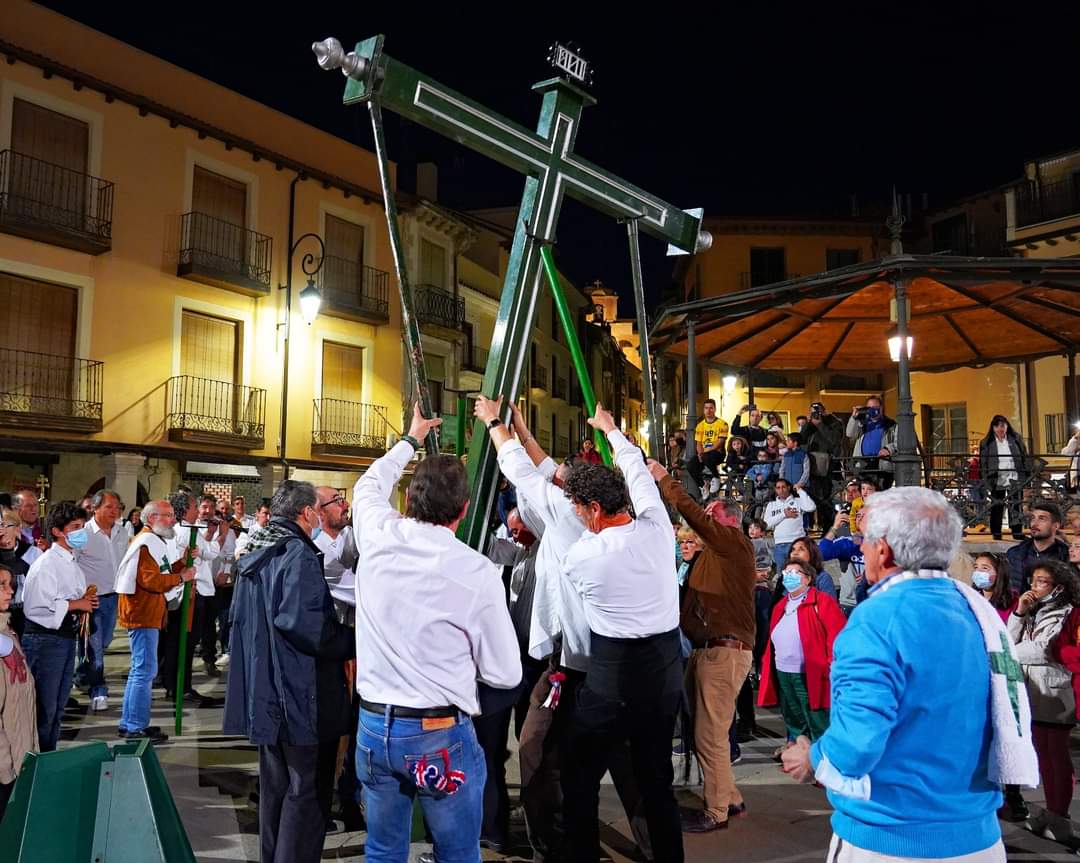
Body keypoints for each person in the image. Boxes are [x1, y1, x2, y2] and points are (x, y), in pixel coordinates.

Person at [781, 486, 1039, 862]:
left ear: (883, 549)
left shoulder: (875, 620)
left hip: (890, 839)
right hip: (979, 837)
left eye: (865, 541)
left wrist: (812, 758)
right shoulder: (976, 612)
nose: (863, 549)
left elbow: (856, 745)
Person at [477, 398, 653, 863]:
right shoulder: (632, 523)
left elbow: (521, 471)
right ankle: (632, 844)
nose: (564, 491)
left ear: (587, 505)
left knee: (568, 759)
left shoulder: (565, 518)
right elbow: (550, 472)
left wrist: (496, 424)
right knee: (581, 757)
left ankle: (562, 846)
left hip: (581, 669)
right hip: (598, 665)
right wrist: (526, 431)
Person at [351, 403, 521, 863]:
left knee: (383, 850)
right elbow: (504, 673)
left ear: (408, 500)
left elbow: (368, 486)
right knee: (457, 853)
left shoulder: (377, 538)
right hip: (436, 733)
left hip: (372, 725)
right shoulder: (476, 572)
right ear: (463, 511)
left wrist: (408, 439)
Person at [549, 402, 683, 863]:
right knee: (655, 781)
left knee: (579, 774)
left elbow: (576, 564)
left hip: (611, 679)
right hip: (663, 674)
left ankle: (581, 854)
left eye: (576, 508)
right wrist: (611, 430)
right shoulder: (657, 527)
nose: (575, 516)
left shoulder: (586, 555)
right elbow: (638, 471)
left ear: (592, 508)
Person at [224, 480, 356, 863]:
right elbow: (308, 628)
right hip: (301, 695)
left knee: (277, 789)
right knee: (306, 792)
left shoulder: (259, 547)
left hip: (268, 690)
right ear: (307, 513)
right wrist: (358, 638)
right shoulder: (296, 554)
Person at [651, 458, 756, 836]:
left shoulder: (732, 543)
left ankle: (716, 811)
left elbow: (693, 515)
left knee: (709, 734)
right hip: (708, 648)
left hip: (722, 651)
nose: (703, 522)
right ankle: (730, 797)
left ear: (727, 519)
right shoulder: (714, 557)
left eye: (711, 515)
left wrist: (664, 480)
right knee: (707, 730)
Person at [1007, 559, 1078, 843]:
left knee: (1057, 757)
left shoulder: (1067, 612)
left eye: (1041, 582)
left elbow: (1045, 650)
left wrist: (1009, 650)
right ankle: (1051, 811)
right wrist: (1020, 612)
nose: (1034, 586)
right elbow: (1010, 636)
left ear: (1058, 587)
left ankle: (1061, 817)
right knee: (1044, 757)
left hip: (1054, 690)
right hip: (1032, 690)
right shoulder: (1033, 609)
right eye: (1032, 580)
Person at [114, 500, 195, 743]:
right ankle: (135, 726)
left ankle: (131, 722)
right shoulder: (146, 542)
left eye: (172, 515)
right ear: (152, 518)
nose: (173, 520)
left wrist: (182, 562)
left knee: (141, 669)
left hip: (149, 612)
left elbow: (163, 571)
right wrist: (181, 577)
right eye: (167, 516)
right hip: (142, 612)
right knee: (144, 670)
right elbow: (150, 580)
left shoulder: (154, 540)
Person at [21, 501, 98, 751]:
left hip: (65, 638)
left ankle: (49, 753)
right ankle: (36, 759)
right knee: (45, 706)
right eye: (75, 527)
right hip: (45, 640)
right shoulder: (46, 564)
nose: (80, 532)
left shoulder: (71, 562)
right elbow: (36, 606)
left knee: (58, 705)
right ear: (57, 531)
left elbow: (71, 595)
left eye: (82, 526)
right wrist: (77, 604)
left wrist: (86, 601)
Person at [758, 557, 846, 746]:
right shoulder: (780, 605)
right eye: (785, 573)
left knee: (817, 718)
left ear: (807, 578)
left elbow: (837, 636)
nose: (788, 576)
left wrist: (831, 665)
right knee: (793, 718)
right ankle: (800, 756)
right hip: (783, 672)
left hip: (811, 674)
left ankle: (822, 762)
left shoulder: (822, 602)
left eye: (794, 572)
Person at [75, 489, 129, 712]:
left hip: (113, 596)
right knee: (95, 648)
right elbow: (70, 562)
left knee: (103, 643)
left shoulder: (122, 532)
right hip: (91, 599)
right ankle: (98, 691)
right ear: (94, 508)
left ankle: (81, 675)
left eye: (117, 507)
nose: (114, 511)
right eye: (109, 507)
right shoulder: (82, 533)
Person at [0, 563, 36, 823]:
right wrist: (5, 766)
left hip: (17, 758)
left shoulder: (7, 633)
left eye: (10, 584)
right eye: (1, 585)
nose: (9, 591)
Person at [978, 415, 1029, 542]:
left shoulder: (1015, 439)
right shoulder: (987, 442)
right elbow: (983, 462)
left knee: (1016, 504)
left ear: (1007, 426)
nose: (1000, 429)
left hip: (1015, 476)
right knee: (997, 505)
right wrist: (985, 479)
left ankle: (1017, 531)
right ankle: (996, 532)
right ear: (993, 428)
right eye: (997, 426)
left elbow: (1024, 456)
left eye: (1003, 425)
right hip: (996, 477)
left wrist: (1027, 473)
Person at [1006, 500, 1069, 593]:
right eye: (1033, 518)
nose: (1034, 523)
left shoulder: (1066, 556)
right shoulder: (1014, 553)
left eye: (1041, 518)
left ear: (1055, 526)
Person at [846, 396, 898, 490]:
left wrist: (888, 449)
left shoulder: (890, 424)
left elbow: (898, 442)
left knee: (881, 494)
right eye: (870, 408)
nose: (873, 410)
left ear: (881, 408)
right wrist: (854, 417)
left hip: (882, 464)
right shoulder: (862, 423)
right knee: (865, 494)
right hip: (863, 464)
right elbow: (849, 433)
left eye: (875, 407)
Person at [763, 478, 816, 572]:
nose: (781, 490)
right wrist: (784, 514)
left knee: (799, 572)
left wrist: (800, 490)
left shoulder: (798, 501)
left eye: (783, 487)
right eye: (778, 488)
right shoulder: (771, 505)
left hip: (796, 543)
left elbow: (811, 507)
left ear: (788, 487)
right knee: (782, 576)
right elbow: (766, 524)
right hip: (779, 545)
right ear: (775, 490)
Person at [0, 511, 36, 640]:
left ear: (17, 528)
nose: (2, 530)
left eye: (5, 525)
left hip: (25, 612)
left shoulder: (33, 553)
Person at [688, 398, 729, 494]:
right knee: (690, 465)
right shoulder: (700, 425)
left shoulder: (723, 424)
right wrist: (700, 454)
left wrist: (704, 452)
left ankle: (716, 477)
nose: (708, 410)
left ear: (715, 409)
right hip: (704, 454)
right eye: (706, 408)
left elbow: (720, 442)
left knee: (706, 456)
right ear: (704, 410)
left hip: (717, 453)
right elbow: (698, 443)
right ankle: (703, 486)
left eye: (711, 408)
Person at [971, 552, 1017, 622]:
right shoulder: (971, 598)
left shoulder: (1013, 601)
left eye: (985, 568)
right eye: (976, 567)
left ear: (999, 572)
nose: (978, 571)